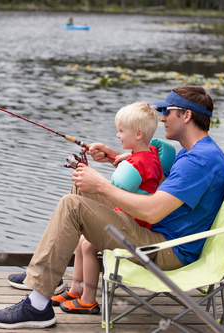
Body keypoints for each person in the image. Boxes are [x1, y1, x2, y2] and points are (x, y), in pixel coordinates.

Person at [0, 85, 224, 329]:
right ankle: (50, 278)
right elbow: (159, 187)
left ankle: (37, 305)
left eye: (167, 110)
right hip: (160, 232)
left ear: (186, 115)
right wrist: (117, 157)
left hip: (166, 248)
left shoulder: (198, 160)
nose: (162, 117)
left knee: (74, 206)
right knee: (82, 190)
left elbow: (152, 210)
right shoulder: (198, 153)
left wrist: (102, 185)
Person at [52, 101, 163, 315]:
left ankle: (88, 300)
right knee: (83, 237)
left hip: (134, 222)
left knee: (87, 245)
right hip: (135, 217)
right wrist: (119, 157)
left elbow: (114, 188)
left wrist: (92, 176)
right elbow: (140, 163)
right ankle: (76, 288)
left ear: (138, 134)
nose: (118, 135)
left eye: (121, 131)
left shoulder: (135, 165)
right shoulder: (148, 154)